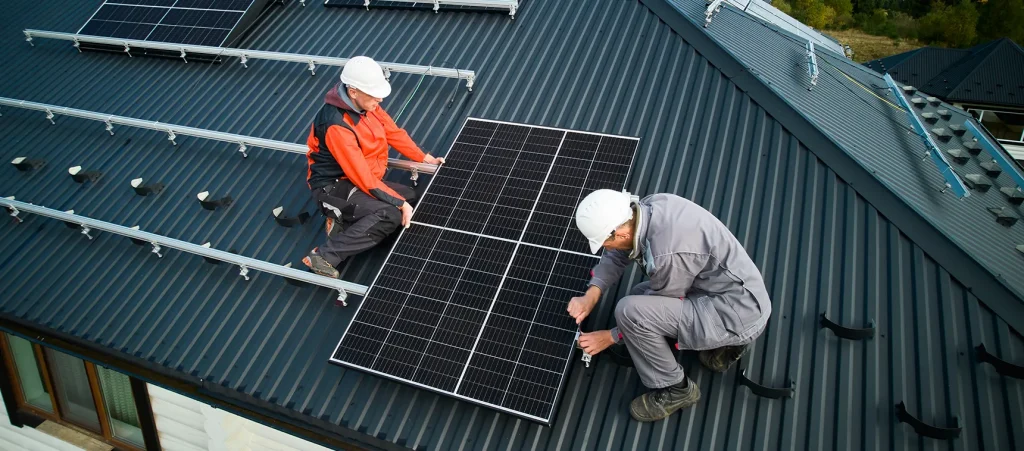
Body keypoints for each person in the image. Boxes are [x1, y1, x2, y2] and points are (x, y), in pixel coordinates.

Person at [567, 189, 772, 422]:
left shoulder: (666, 253)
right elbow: (618, 255)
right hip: (734, 293)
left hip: (737, 313)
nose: (605, 247)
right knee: (637, 297)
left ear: (621, 234)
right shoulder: (647, 208)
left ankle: (677, 389)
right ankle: (726, 346)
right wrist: (592, 294)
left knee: (630, 311)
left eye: (605, 242)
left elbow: (657, 306)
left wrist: (610, 336)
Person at [303, 56, 444, 278]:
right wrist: (399, 204)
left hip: (355, 181)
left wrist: (424, 157)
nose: (379, 98)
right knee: (390, 214)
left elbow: (392, 132)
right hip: (332, 187)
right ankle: (324, 256)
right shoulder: (336, 125)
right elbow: (362, 178)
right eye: (374, 93)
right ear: (353, 92)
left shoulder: (368, 105)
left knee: (408, 194)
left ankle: (345, 217)